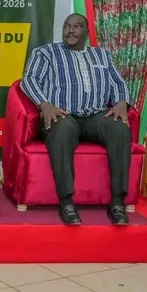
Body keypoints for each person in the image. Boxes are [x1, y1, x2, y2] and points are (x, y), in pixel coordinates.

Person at [20, 13, 131, 226]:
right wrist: (44, 104)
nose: (70, 30)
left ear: (87, 32)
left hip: (95, 116)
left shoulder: (102, 55)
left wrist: (121, 102)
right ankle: (67, 203)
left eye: (77, 26)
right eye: (67, 26)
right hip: (62, 114)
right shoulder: (46, 53)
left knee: (119, 128)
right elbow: (29, 80)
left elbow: (119, 83)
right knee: (62, 128)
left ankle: (118, 203)